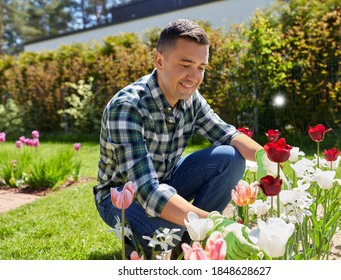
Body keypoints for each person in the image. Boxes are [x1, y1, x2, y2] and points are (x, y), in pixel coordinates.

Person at [94, 19, 271, 260]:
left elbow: (228, 134)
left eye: (201, 67)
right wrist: (217, 224)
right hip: (123, 197)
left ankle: (190, 240)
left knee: (230, 157)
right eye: (186, 64)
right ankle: (175, 238)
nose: (194, 76)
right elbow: (147, 190)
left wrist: (267, 158)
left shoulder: (191, 97)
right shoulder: (127, 107)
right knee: (169, 234)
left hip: (167, 179)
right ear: (159, 61)